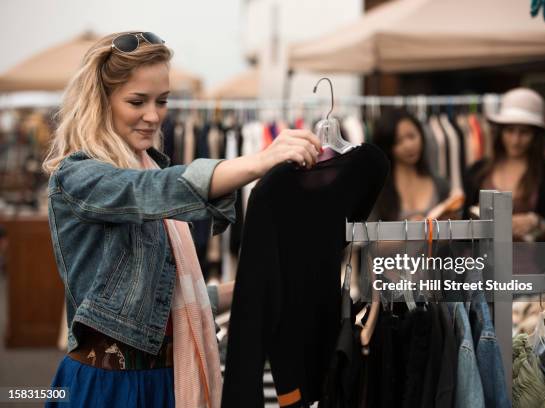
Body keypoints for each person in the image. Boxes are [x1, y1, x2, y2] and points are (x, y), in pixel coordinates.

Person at [42, 31, 322, 408]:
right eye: (137, 101)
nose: (153, 115)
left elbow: (167, 305)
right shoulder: (78, 177)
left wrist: (254, 285)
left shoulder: (152, 166)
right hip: (109, 388)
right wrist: (258, 161)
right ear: (101, 101)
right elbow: (146, 190)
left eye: (162, 101)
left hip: (163, 384)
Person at [463, 87, 545, 242]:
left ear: (535, 135)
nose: (515, 140)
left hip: (533, 265)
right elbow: (463, 234)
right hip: (481, 264)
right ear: (500, 132)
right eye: (510, 130)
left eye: (524, 132)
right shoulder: (477, 171)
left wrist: (538, 224)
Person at [371, 109, 450, 222]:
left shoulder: (441, 185)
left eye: (411, 136)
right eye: (398, 141)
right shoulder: (378, 190)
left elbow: (448, 236)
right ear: (388, 146)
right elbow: (368, 236)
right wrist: (409, 231)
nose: (408, 145)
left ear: (421, 135)